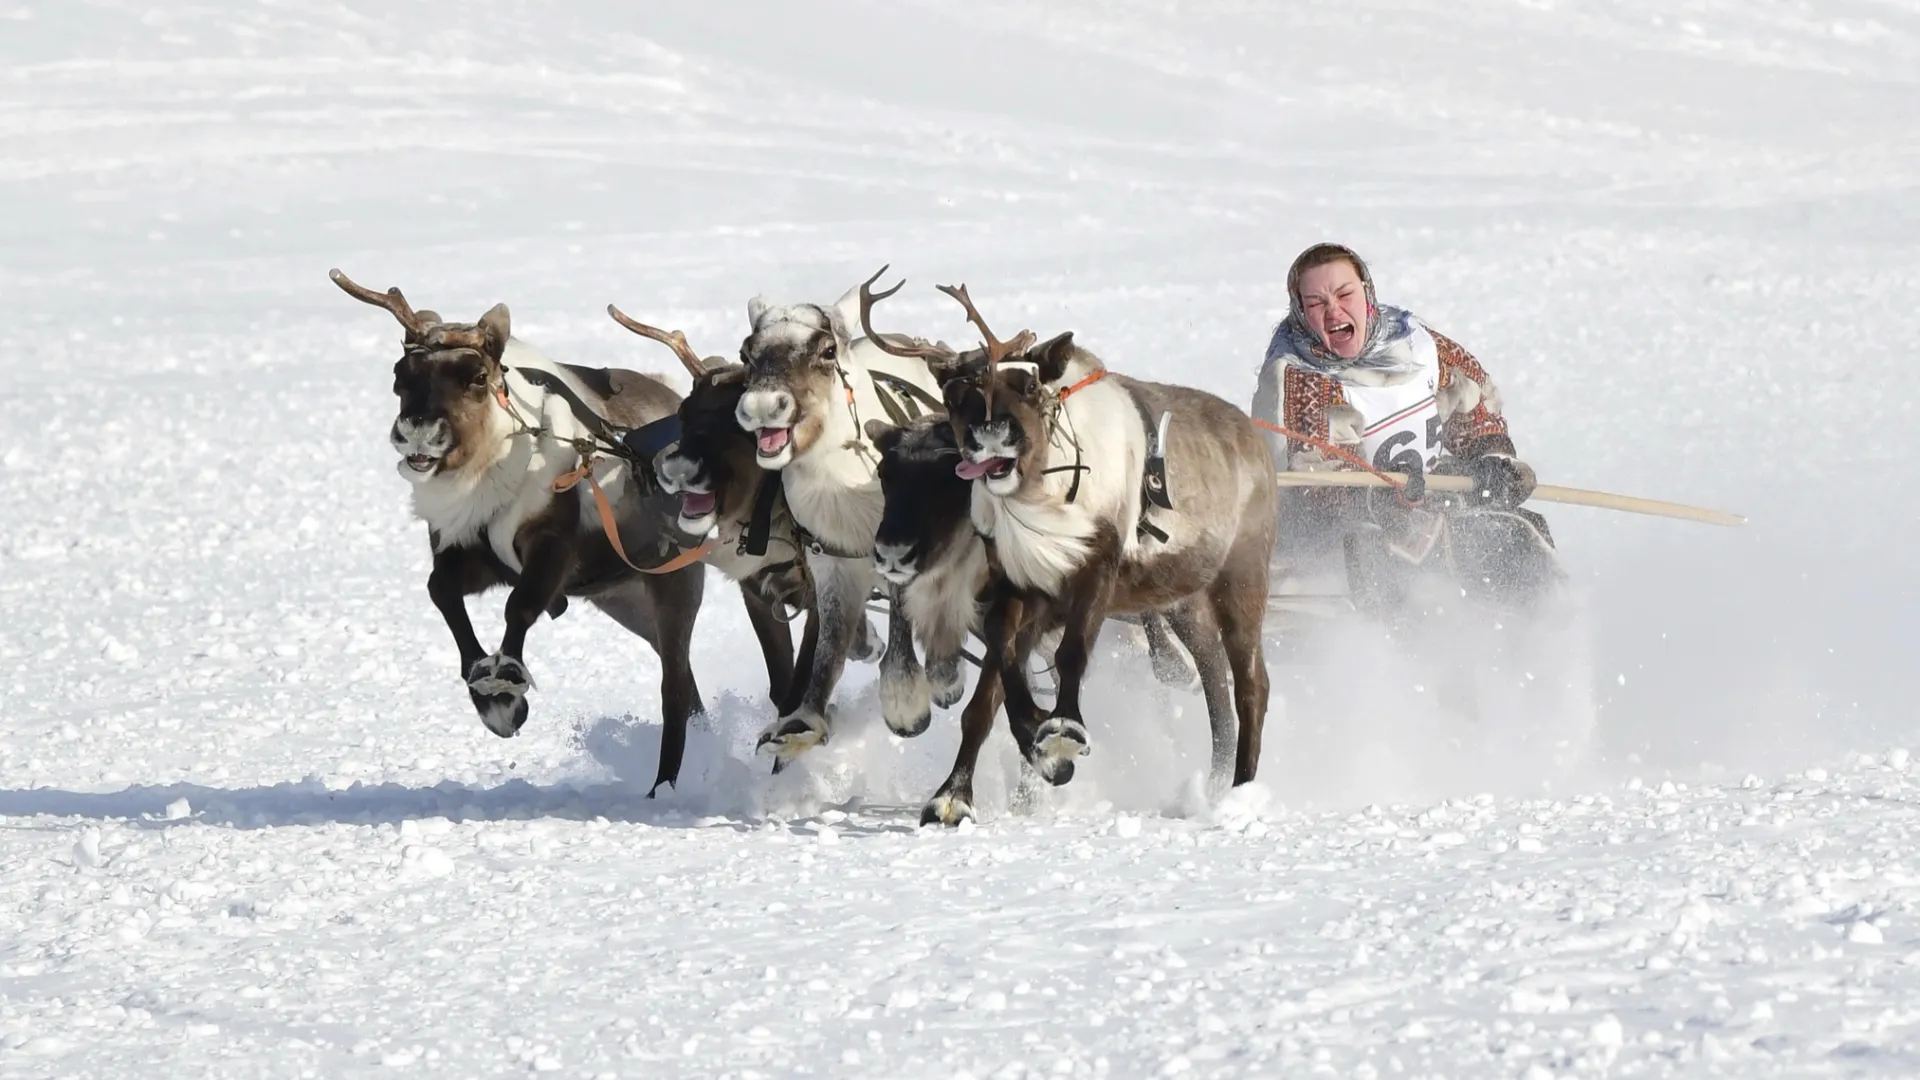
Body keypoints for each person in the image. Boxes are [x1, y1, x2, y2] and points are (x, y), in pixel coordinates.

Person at [1251, 242, 1561, 622]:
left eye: (1344, 294)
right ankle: (1395, 663)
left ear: (1367, 293)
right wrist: (1380, 498)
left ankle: (1550, 635)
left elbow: (1473, 400)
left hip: (1429, 508)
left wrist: (1491, 460)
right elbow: (1316, 480)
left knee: (1518, 531)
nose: (1334, 311)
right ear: (1301, 313)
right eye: (1316, 303)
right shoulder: (1299, 377)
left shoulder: (1413, 342)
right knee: (1372, 550)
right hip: (1336, 539)